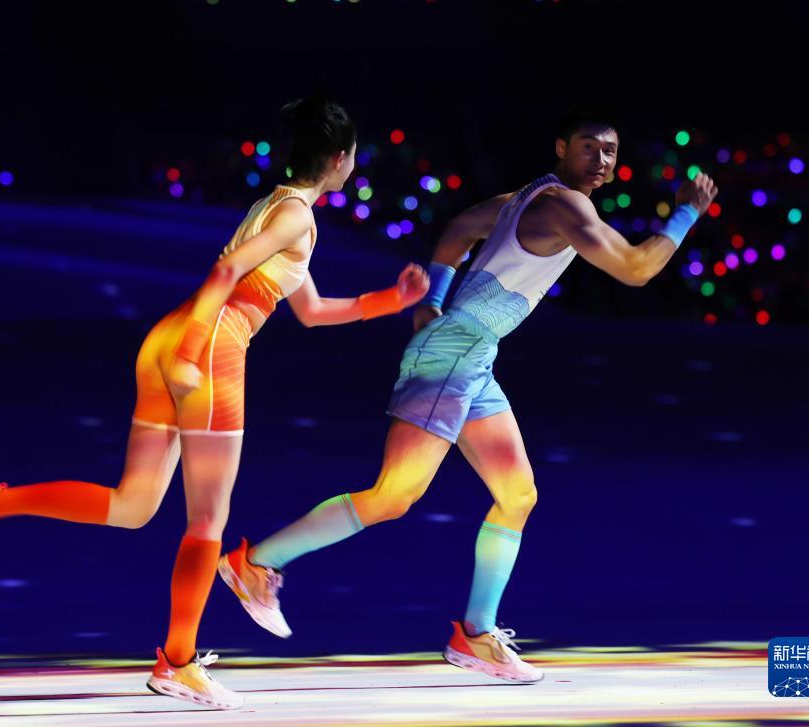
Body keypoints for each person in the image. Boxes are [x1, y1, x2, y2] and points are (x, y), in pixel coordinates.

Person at [0, 95, 430, 709]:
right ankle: (178, 663)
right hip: (207, 349)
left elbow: (312, 311)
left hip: (170, 338)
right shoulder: (295, 217)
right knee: (207, 522)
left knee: (132, 505)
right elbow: (227, 273)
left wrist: (390, 301)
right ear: (342, 159)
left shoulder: (279, 207)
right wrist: (191, 354)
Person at [219, 110, 719, 684]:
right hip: (453, 358)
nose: (601, 160)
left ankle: (476, 635)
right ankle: (255, 563)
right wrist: (686, 212)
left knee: (517, 494)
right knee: (392, 497)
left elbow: (459, 227)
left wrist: (433, 299)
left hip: (473, 359)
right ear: (561, 147)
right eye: (589, 147)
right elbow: (636, 268)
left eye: (609, 151)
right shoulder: (565, 206)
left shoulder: (526, 197)